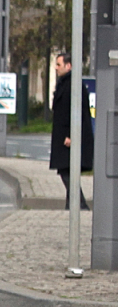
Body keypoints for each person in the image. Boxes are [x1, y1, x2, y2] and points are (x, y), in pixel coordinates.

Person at [49, 52, 94, 211]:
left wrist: (71, 135)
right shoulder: (64, 83)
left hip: (69, 137)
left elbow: (77, 112)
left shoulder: (74, 85)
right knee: (66, 169)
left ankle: (80, 203)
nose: (56, 68)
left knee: (67, 170)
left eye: (59, 64)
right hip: (63, 135)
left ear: (69, 66)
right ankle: (72, 205)